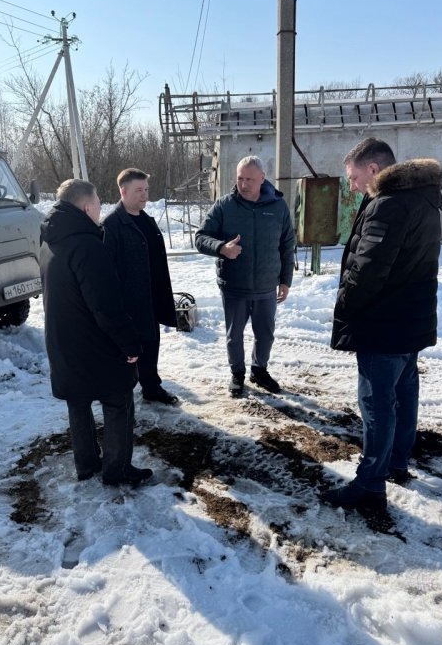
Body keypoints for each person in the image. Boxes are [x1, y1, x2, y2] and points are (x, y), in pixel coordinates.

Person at [324, 138, 442, 511]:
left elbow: (368, 271)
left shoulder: (387, 206)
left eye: (354, 177)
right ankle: (396, 461)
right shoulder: (423, 197)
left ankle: (370, 486)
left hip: (383, 324)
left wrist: (344, 306)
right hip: (410, 320)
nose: (353, 186)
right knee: (404, 394)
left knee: (377, 405)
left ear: (374, 170)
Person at [40, 178, 152, 486]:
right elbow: (105, 306)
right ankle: (117, 470)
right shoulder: (88, 246)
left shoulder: (50, 240)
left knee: (77, 402)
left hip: (63, 343)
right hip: (95, 346)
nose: (100, 209)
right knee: (118, 403)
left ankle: (86, 464)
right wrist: (130, 345)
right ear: (87, 207)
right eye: (99, 203)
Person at [195, 155, 295, 397]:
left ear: (262, 179)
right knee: (234, 335)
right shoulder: (224, 206)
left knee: (265, 334)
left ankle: (259, 370)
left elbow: (287, 245)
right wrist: (222, 248)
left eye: (250, 179)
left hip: (266, 286)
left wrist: (285, 280)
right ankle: (237, 374)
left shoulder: (277, 207)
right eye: (240, 178)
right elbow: (200, 237)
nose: (244, 183)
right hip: (235, 285)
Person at [102, 168, 178, 406]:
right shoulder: (112, 225)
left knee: (151, 342)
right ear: (123, 191)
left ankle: (151, 387)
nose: (145, 195)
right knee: (129, 350)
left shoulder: (146, 220)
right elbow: (106, 271)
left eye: (146, 189)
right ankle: (121, 397)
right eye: (139, 190)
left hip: (151, 296)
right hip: (128, 301)